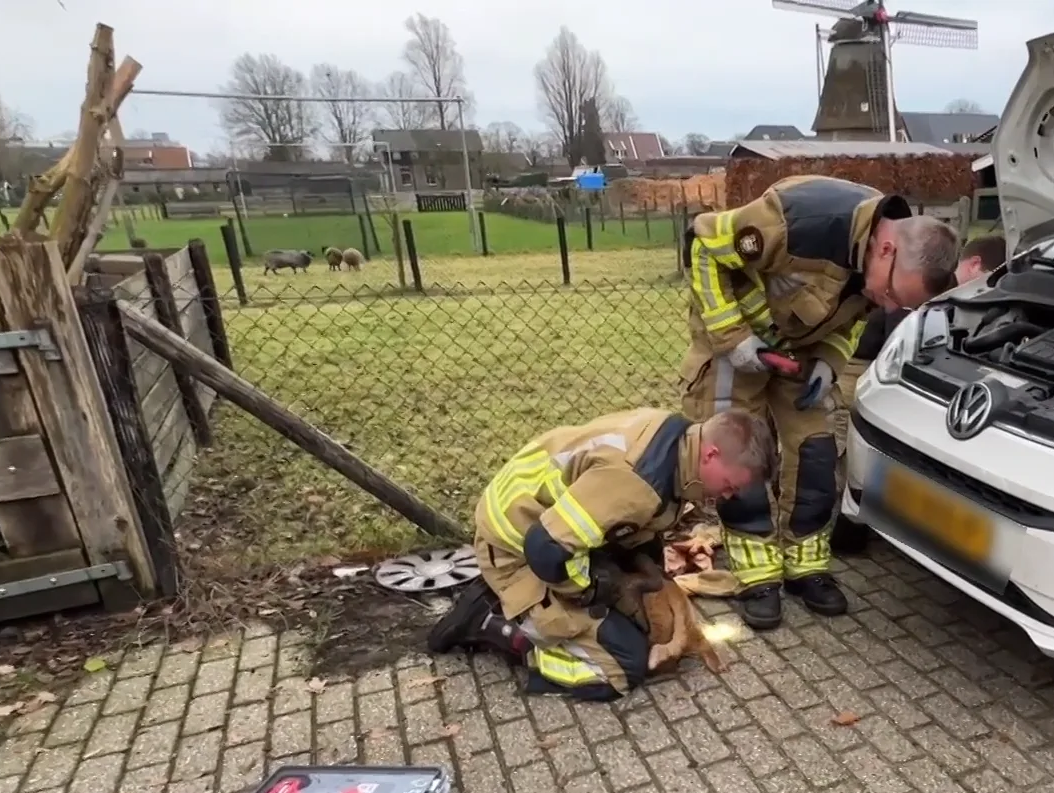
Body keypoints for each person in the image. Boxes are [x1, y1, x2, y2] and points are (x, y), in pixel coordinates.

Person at [680, 175, 959, 630]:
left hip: (803, 351)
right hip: (734, 339)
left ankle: (805, 567)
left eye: (897, 304)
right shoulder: (799, 220)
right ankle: (756, 575)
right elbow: (703, 244)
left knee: (816, 452)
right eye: (889, 294)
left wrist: (831, 359)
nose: (886, 306)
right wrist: (734, 337)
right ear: (884, 250)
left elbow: (852, 319)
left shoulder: (883, 272)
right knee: (741, 455)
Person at [427, 407, 773, 701]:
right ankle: (499, 626)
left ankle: (530, 606)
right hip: (515, 547)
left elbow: (633, 524)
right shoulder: (637, 482)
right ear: (711, 454)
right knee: (623, 667)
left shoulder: (680, 440)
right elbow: (545, 550)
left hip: (549, 524)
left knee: (642, 624)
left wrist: (641, 577)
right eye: (729, 485)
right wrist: (594, 589)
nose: (727, 497)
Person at [831, 233, 1007, 556]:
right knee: (849, 447)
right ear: (975, 264)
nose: (989, 287)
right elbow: (896, 342)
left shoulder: (941, 288)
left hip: (874, 365)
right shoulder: (929, 288)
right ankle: (846, 532)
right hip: (857, 366)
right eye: (990, 276)